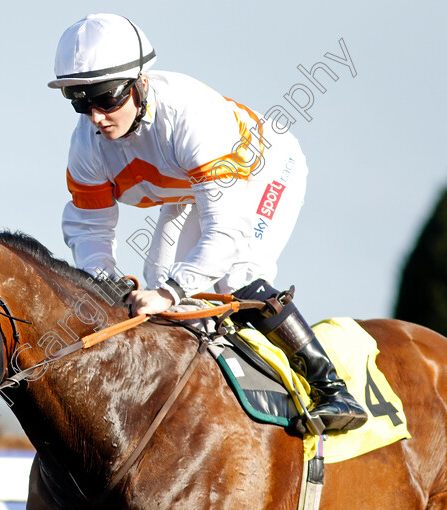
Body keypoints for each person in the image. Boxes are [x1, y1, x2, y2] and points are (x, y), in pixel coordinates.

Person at [48, 13, 367, 432]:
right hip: (188, 186)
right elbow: (89, 229)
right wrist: (107, 282)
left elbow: (225, 231)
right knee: (157, 283)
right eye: (79, 101)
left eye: (107, 99)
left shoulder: (191, 118)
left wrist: (171, 291)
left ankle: (331, 387)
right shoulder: (85, 145)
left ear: (141, 83)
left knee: (234, 275)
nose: (95, 117)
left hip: (261, 171)